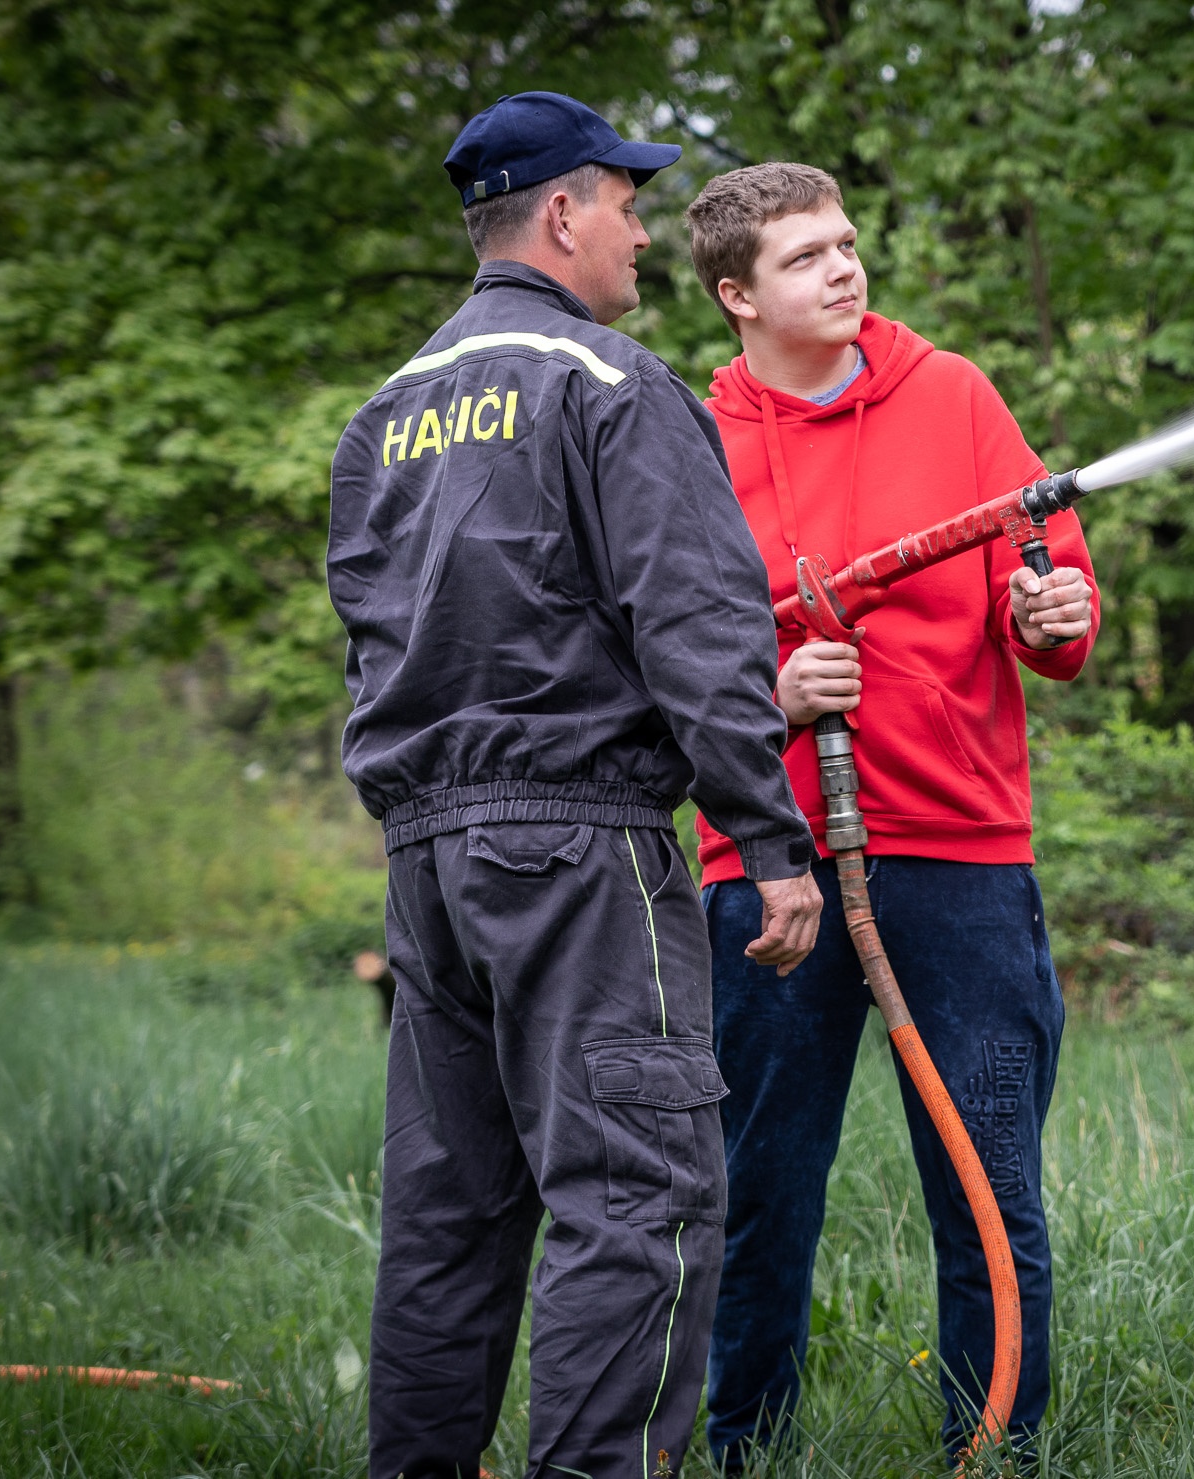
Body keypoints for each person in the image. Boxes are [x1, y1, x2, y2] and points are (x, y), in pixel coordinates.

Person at [327, 95, 823, 1479]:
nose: (645, 233)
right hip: (584, 854)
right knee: (639, 1201)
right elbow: (699, 628)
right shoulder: (613, 385)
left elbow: (372, 643)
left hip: (426, 868)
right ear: (562, 213)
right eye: (628, 203)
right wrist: (769, 839)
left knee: (449, 1217)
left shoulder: (385, 415)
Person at [683, 162, 1100, 1468]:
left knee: (990, 1187)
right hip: (767, 865)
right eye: (806, 256)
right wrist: (773, 693)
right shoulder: (690, 444)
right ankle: (748, 1453)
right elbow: (660, 660)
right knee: (760, 1195)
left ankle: (998, 1451)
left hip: (963, 859)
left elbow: (1048, 576)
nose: (845, 269)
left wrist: (1052, 613)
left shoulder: (954, 395)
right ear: (736, 295)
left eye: (848, 243)